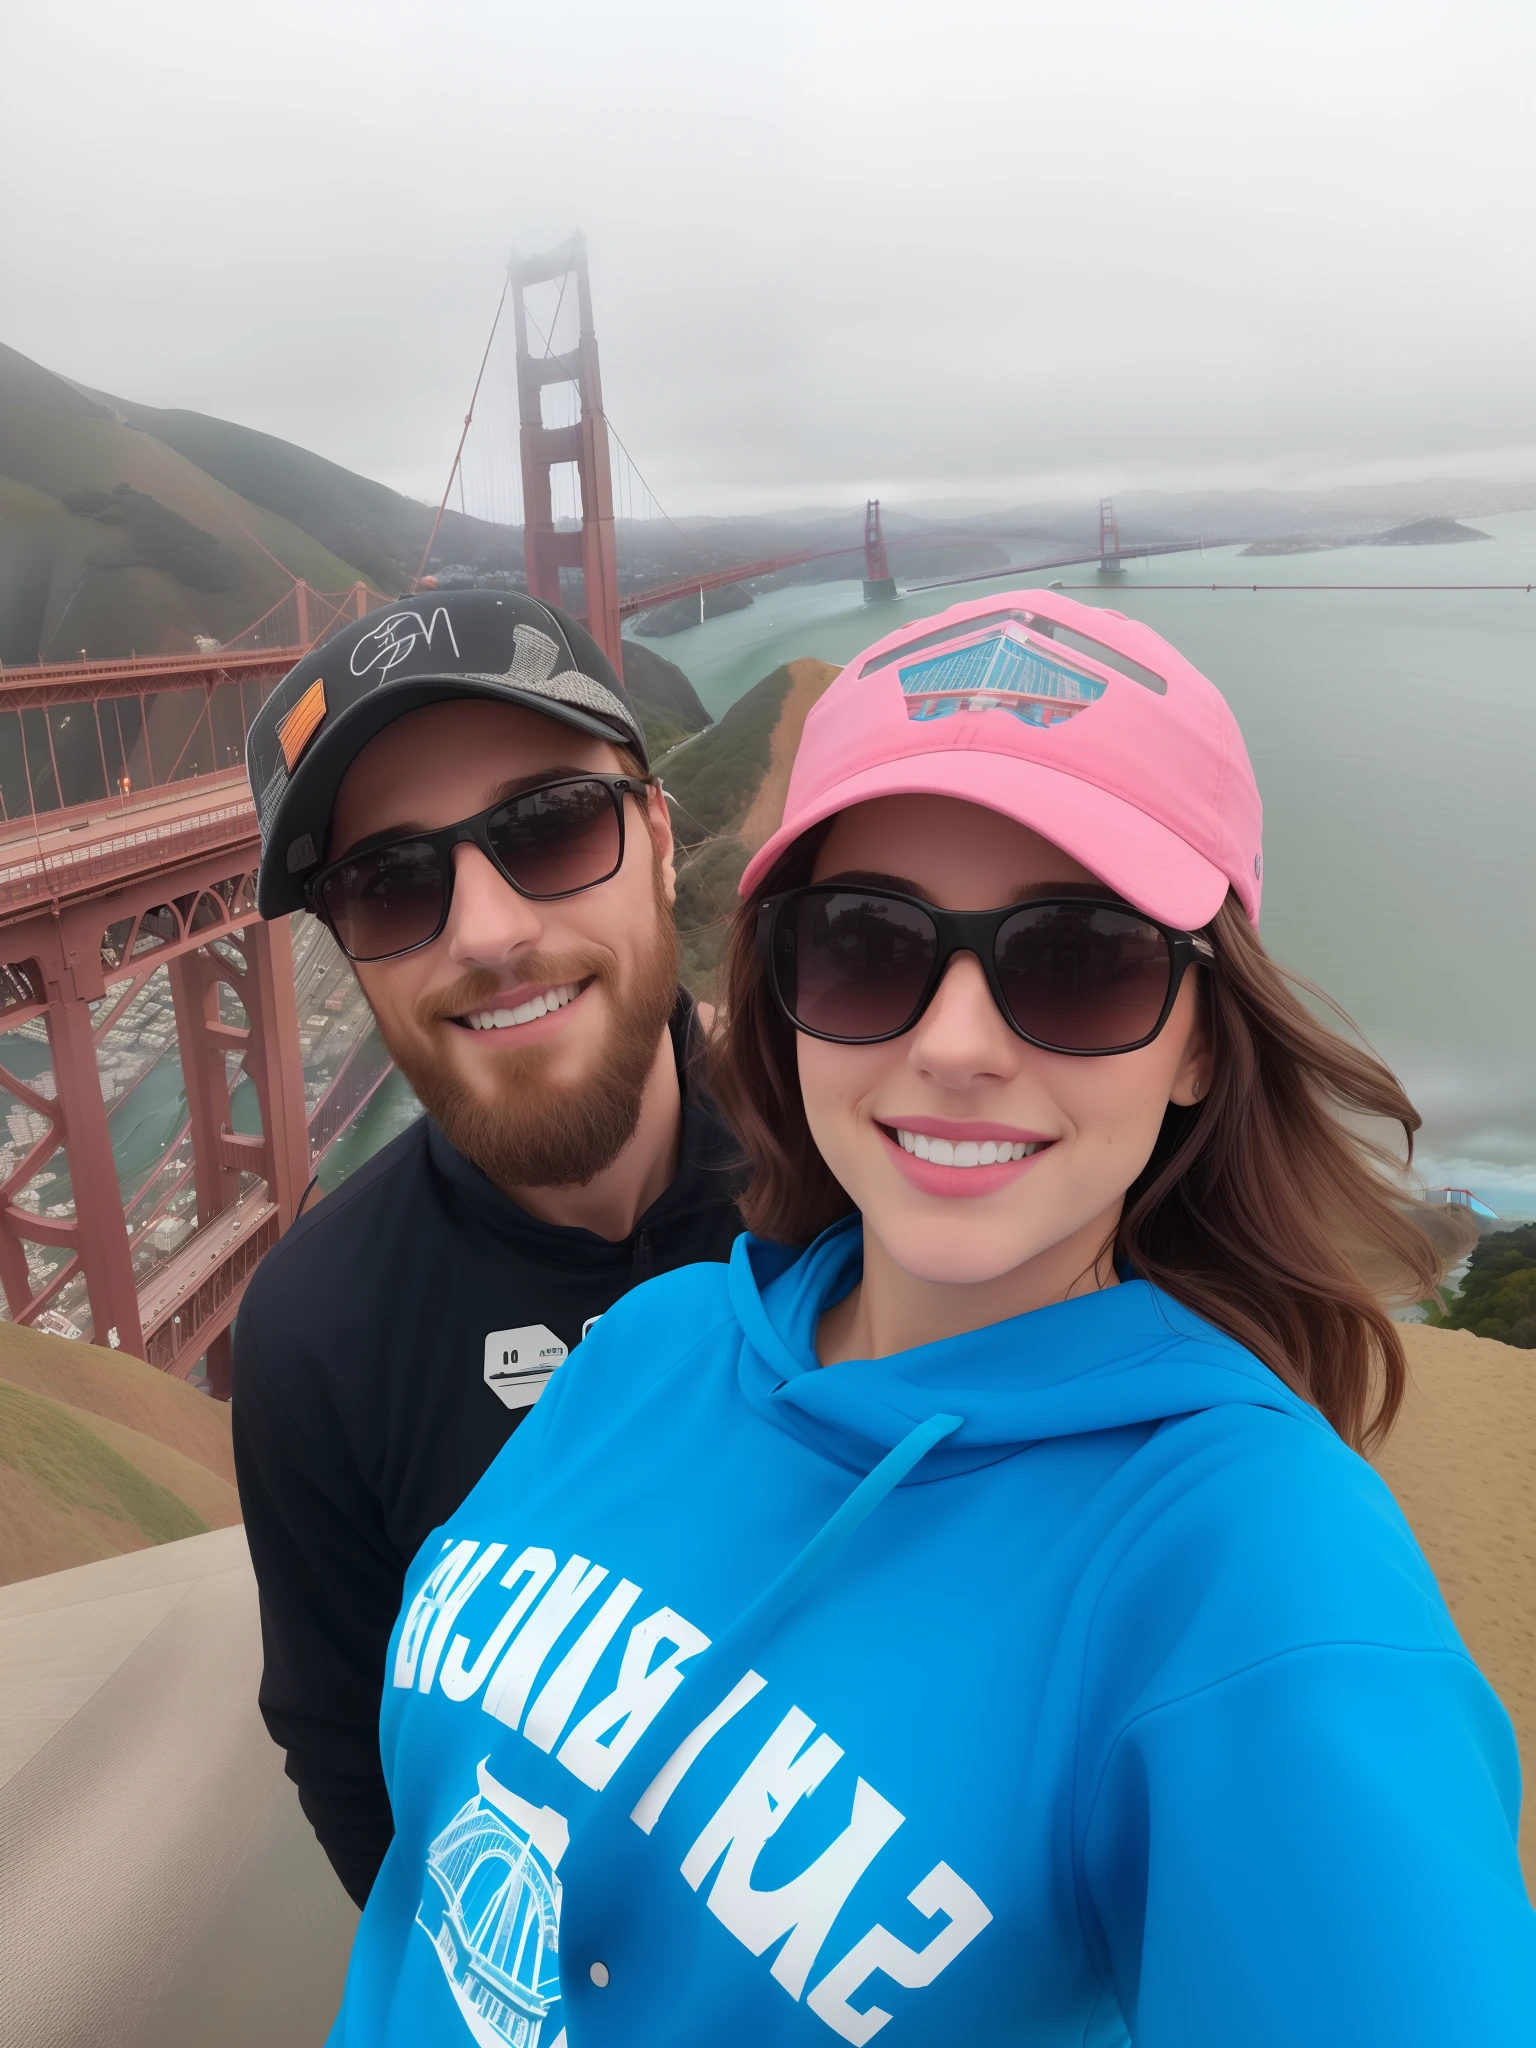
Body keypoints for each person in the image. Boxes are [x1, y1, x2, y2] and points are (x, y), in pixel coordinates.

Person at [323, 592, 1536, 2045]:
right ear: (782, 993)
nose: (955, 1046)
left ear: (1205, 1034)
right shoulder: (656, 1342)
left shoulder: (1253, 1573)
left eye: (1081, 959)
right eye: (866, 946)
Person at [232, 589, 743, 1907]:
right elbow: (352, 1760)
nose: (488, 932)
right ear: (350, 946)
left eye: (551, 826)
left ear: (662, 839)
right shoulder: (314, 1335)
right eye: (393, 883)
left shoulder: (876, 1186)